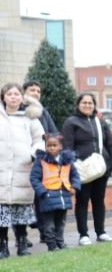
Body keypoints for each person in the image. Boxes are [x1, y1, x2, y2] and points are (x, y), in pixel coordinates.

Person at [62, 93, 112, 246]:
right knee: (82, 201)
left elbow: (110, 146)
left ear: (94, 105)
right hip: (81, 169)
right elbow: (67, 147)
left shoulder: (100, 122)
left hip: (101, 168)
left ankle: (101, 232)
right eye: (84, 102)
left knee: (99, 201)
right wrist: (71, 169)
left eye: (90, 103)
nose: (87, 105)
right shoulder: (71, 122)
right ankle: (83, 234)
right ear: (78, 104)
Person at [0, 83, 44, 258]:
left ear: (22, 97)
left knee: (20, 210)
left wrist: (34, 153)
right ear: (3, 97)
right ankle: (2, 245)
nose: (13, 97)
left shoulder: (30, 118)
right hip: (2, 170)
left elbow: (39, 139)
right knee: (2, 211)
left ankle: (22, 242)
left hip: (23, 168)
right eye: (9, 94)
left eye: (16, 94)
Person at [30, 134, 81, 251]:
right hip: (47, 197)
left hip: (63, 196)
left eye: (54, 145)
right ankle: (51, 245)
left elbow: (75, 176)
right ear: (45, 146)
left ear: (60, 146)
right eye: (49, 145)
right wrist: (42, 192)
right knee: (49, 224)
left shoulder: (67, 162)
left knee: (61, 223)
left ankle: (60, 242)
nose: (52, 148)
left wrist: (75, 187)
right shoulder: (41, 161)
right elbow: (34, 178)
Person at [23, 81, 57, 244]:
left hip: (41, 159)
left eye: (38, 91)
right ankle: (21, 236)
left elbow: (53, 132)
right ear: (25, 92)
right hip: (21, 160)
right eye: (32, 90)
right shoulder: (18, 110)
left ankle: (45, 232)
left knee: (41, 196)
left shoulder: (44, 112)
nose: (36, 93)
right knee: (23, 197)